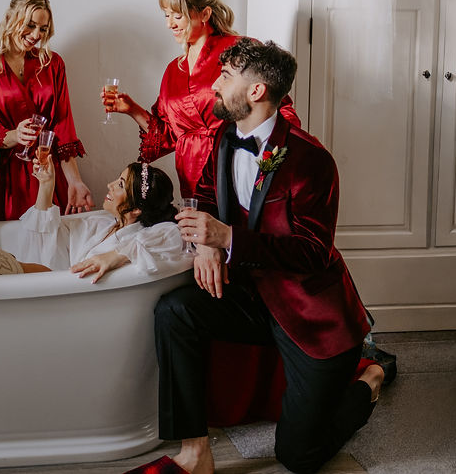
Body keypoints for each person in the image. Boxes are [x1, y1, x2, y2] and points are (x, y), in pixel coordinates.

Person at [137, 39, 383, 474]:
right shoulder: (224, 138)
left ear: (256, 91)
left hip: (310, 316)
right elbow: (207, 195)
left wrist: (227, 237)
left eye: (225, 77)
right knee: (174, 311)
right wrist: (207, 245)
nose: (214, 85)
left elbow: (313, 252)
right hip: (250, 296)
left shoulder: (311, 160)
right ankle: (195, 452)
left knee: (298, 456)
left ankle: (370, 380)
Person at [100, 0, 300, 200]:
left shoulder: (239, 52)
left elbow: (278, 106)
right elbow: (167, 136)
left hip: (237, 163)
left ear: (204, 13)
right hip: (191, 175)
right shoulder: (174, 70)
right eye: (166, 15)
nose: (169, 24)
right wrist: (132, 109)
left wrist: (274, 161)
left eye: (178, 16)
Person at [0, 160, 185, 282]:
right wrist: (47, 185)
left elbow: (174, 234)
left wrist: (116, 255)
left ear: (136, 210)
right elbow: (47, 235)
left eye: (119, 184)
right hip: (45, 284)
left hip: (57, 297)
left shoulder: (145, 236)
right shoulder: (101, 223)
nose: (109, 184)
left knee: (13, 266)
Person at [0, 0, 93, 220]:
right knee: (16, 241)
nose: (36, 35)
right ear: (10, 19)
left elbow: (63, 127)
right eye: (30, 25)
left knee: (53, 236)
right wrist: (15, 135)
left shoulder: (52, 64)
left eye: (43, 29)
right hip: (10, 180)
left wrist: (74, 181)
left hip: (49, 173)